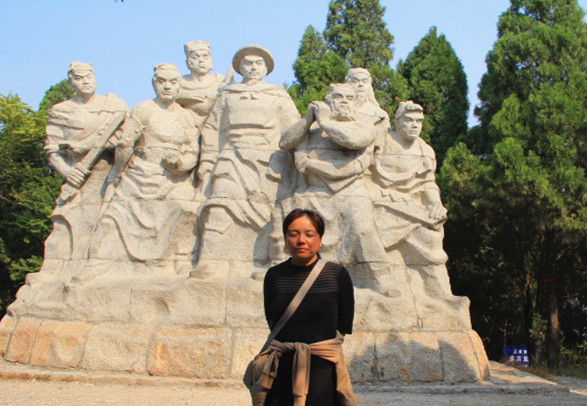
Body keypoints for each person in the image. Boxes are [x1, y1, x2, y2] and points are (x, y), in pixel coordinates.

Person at [253, 208, 357, 406]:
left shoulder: (336, 274)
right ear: (285, 238)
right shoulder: (274, 276)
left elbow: (344, 323)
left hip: (322, 366)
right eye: (293, 233)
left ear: (320, 239)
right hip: (281, 365)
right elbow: (273, 320)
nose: (301, 240)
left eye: (309, 234)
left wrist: (313, 347)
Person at [76, 63, 199, 281]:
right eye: (162, 82)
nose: (167, 87)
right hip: (140, 175)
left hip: (172, 179)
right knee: (113, 217)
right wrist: (120, 171)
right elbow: (125, 144)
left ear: (180, 85)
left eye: (172, 82)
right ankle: (98, 263)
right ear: (154, 84)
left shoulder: (185, 117)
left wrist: (180, 163)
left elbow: (193, 150)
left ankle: (179, 261)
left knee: (186, 208)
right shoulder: (144, 109)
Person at [279, 83, 399, 296]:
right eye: (338, 97)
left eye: (350, 98)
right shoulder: (311, 133)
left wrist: (324, 124)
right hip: (315, 192)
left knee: (364, 228)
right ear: (328, 101)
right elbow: (285, 143)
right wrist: (308, 120)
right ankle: (290, 274)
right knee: (297, 226)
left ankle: (381, 278)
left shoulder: (363, 127)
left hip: (352, 191)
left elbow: (355, 142)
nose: (344, 101)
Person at [192, 45, 300, 280]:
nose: (253, 67)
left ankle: (275, 261)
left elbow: (292, 130)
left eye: (258, 63)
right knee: (219, 206)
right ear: (240, 67)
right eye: (248, 63)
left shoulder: (278, 94)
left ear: (267, 69)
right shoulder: (227, 94)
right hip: (231, 158)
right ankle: (208, 261)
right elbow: (212, 129)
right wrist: (207, 161)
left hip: (268, 162)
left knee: (273, 213)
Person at [38, 62, 128, 278]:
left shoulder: (115, 106)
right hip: (76, 177)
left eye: (89, 76)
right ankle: (63, 271)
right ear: (71, 82)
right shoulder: (61, 111)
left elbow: (127, 142)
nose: (85, 81)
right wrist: (67, 172)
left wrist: (112, 144)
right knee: (70, 224)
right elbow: (52, 149)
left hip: (107, 175)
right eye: (79, 78)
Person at [370, 101, 453, 298]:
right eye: (408, 120)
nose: (414, 125)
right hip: (380, 201)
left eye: (419, 121)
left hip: (411, 206)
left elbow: (428, 183)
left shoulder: (425, 151)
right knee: (370, 235)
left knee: (432, 236)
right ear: (397, 122)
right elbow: (362, 174)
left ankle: (438, 295)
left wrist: (435, 204)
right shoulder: (380, 142)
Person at [175, 40, 227, 125]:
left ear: (211, 61)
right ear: (188, 62)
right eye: (196, 57)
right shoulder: (179, 82)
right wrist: (186, 97)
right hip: (188, 125)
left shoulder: (219, 80)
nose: (201, 61)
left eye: (205, 57)